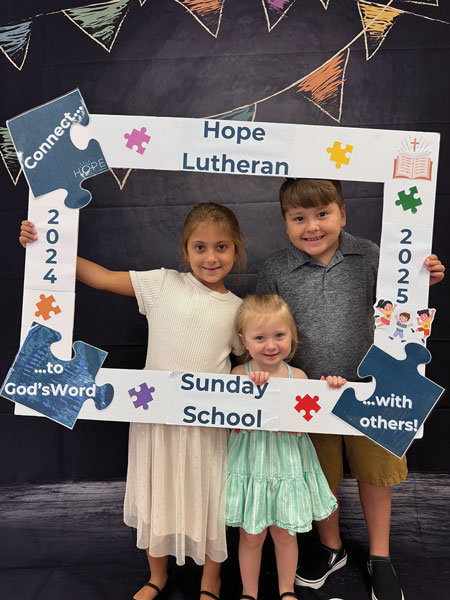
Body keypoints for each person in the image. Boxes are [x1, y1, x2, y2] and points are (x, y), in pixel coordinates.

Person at [19, 202, 246, 600]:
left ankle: (211, 580)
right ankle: (156, 575)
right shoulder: (161, 283)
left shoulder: (240, 310)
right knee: (153, 490)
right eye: (200, 247)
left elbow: (243, 362)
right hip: (154, 419)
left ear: (237, 250)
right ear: (184, 249)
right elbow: (102, 277)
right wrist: (45, 246)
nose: (211, 257)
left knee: (209, 496)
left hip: (206, 424)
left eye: (222, 247)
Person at [256, 178, 445, 600]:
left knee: (376, 475)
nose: (312, 227)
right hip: (308, 396)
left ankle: (380, 556)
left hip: (371, 389)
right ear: (285, 222)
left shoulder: (371, 255)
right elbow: (261, 325)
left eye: (322, 214)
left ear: (343, 213)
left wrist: (421, 279)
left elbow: (402, 303)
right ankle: (332, 547)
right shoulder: (274, 270)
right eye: (298, 218)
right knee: (320, 477)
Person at [225, 294, 345, 600]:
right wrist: (249, 386)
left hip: (288, 465)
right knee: (251, 536)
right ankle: (249, 592)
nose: (271, 345)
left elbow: (313, 417)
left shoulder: (300, 377)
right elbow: (228, 419)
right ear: (244, 341)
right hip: (252, 465)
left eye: (279, 335)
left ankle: (286, 590)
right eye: (260, 338)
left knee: (284, 533)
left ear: (291, 336)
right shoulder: (238, 376)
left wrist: (329, 388)